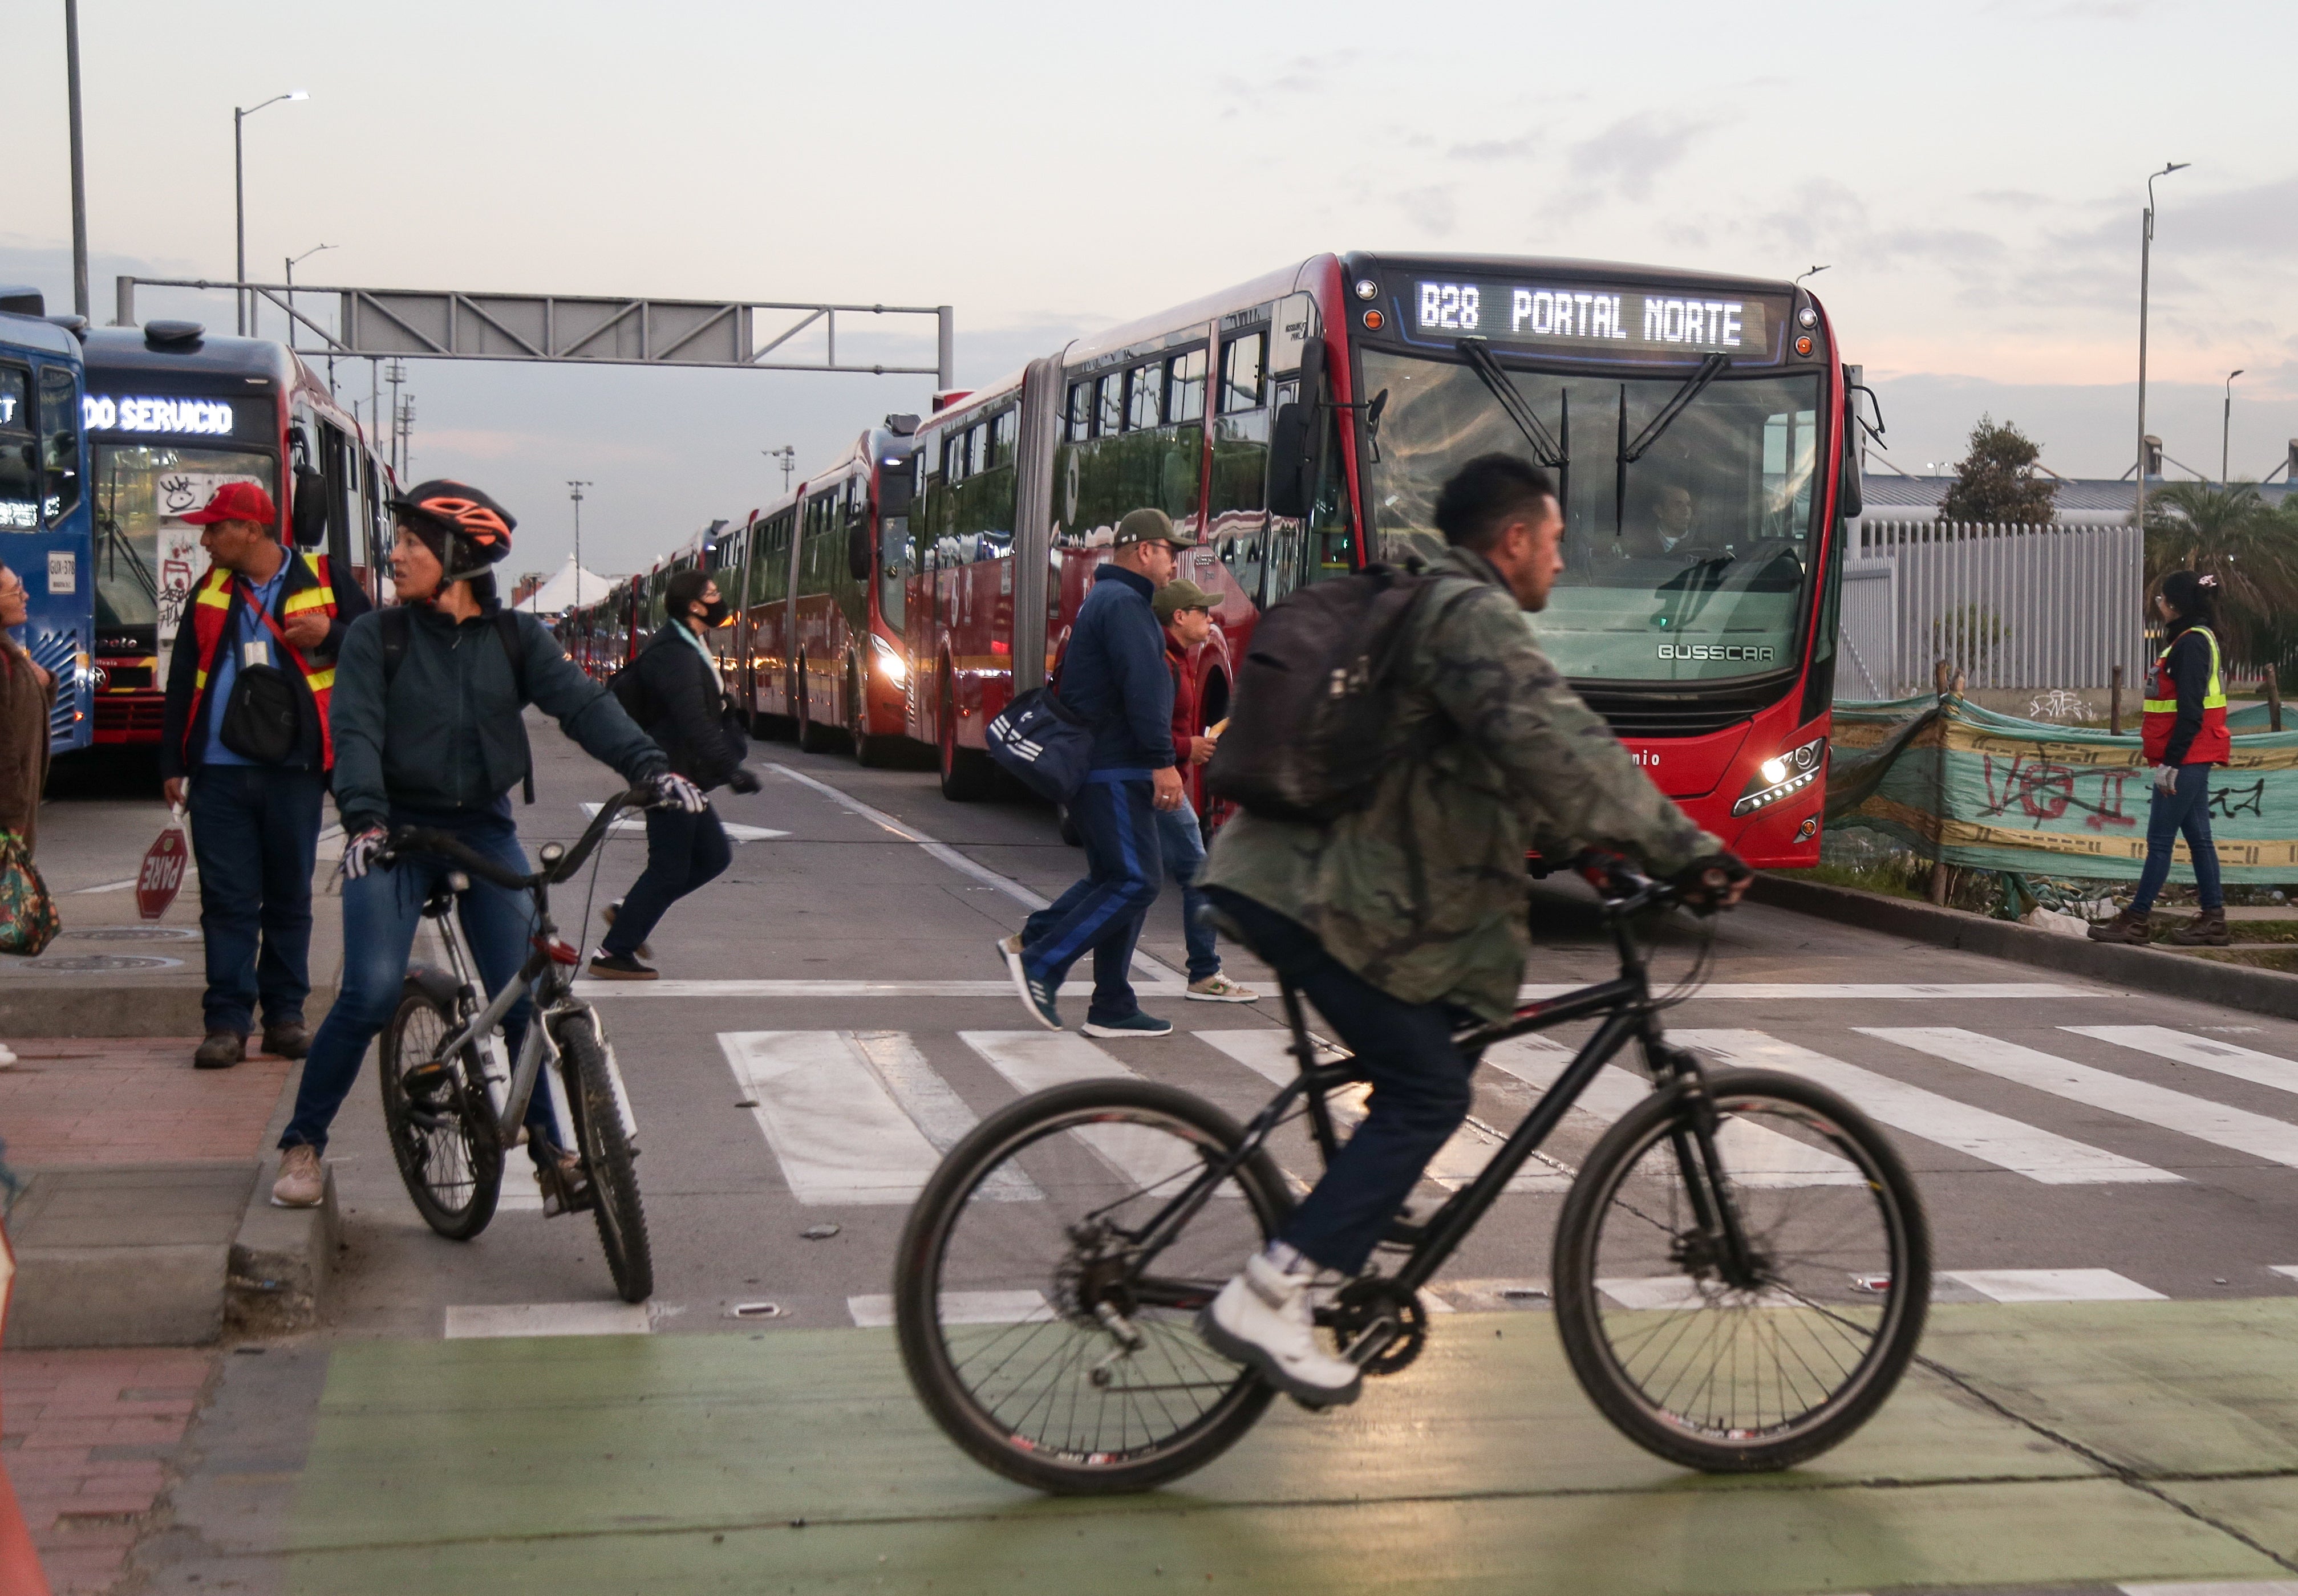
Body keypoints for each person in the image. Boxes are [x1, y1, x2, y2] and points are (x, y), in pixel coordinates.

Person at [1194, 453, 1749, 1405]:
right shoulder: (1471, 614)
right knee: (1427, 1090)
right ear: (1514, 538)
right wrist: (1681, 848)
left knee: (1433, 1046)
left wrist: (1591, 849)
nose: (1561, 564)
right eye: (1557, 542)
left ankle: (1357, 1208)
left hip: (1302, 882)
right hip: (1312, 893)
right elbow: (1556, 738)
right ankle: (1270, 1289)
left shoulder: (1437, 611)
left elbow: (1490, 773)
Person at [270, 480, 696, 1210]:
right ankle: (303, 1143)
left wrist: (649, 768)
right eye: (397, 541)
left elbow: (583, 705)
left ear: (458, 558)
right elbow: (357, 732)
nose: (395, 556)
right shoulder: (379, 636)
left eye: (411, 544)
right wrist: (366, 820)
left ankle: (552, 1154)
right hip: (395, 833)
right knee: (370, 993)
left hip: (483, 828)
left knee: (526, 996)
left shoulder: (517, 639)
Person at [159, 481, 371, 1069]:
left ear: (250, 530)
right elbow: (184, 679)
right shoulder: (210, 589)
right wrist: (173, 762)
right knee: (226, 901)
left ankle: (284, 1018)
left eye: (214, 528)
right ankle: (226, 1025)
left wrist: (332, 634)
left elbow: (380, 650)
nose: (204, 539)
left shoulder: (324, 578)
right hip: (220, 774)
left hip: (296, 771)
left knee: (287, 898)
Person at [996, 507, 1192, 1038]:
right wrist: (1163, 763)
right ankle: (1041, 960)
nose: (1176, 562)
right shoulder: (1127, 605)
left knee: (1118, 877)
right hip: (1114, 765)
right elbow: (1143, 691)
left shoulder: (1107, 599)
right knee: (1136, 879)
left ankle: (1112, 1002)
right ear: (1145, 551)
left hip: (1104, 764)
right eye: (1170, 551)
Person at [590, 568, 757, 980]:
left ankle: (630, 913)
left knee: (714, 856)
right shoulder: (675, 654)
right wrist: (731, 770)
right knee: (669, 868)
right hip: (667, 777)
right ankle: (613, 951)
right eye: (713, 594)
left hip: (685, 778)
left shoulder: (691, 642)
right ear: (695, 605)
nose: (721, 600)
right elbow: (693, 721)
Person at [2092, 568, 2229, 948]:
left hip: (2186, 756)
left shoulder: (2191, 644)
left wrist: (2170, 763)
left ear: (2173, 605)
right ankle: (2213, 919)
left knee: (2159, 838)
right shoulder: (2194, 639)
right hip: (2193, 754)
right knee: (2199, 838)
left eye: (2161, 599)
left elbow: (2190, 711)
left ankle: (2137, 918)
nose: (2158, 604)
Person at [1152, 578, 1257, 1002]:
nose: (1210, 617)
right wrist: (1185, 748)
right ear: (1179, 617)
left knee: (1127, 881)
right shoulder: (1162, 664)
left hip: (1159, 779)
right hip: (1159, 783)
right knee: (1198, 871)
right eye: (1202, 611)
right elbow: (1146, 729)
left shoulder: (1171, 658)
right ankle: (1204, 973)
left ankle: (1043, 947)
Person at [0, 559, 55, 1073]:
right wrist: (14, 821)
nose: (24, 597)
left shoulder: (11, 653)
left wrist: (44, 679)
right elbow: (8, 749)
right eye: (15, 590)